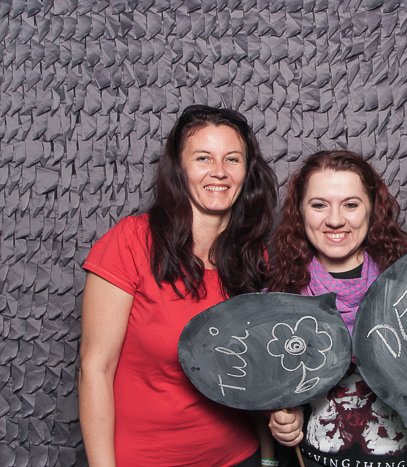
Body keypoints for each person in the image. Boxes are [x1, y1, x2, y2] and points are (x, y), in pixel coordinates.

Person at [78, 104, 278, 466]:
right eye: (203, 158)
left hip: (238, 456)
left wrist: (267, 458)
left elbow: (253, 376)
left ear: (247, 172)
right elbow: (95, 369)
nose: (219, 171)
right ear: (179, 168)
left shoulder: (252, 255)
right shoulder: (131, 242)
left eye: (232, 159)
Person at [267, 150, 407, 467]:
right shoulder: (281, 294)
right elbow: (276, 387)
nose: (335, 219)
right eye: (319, 205)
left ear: (371, 209)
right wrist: (284, 415)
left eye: (350, 204)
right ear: (300, 211)